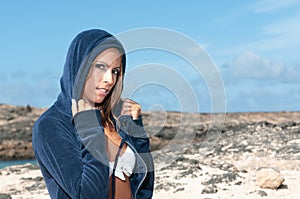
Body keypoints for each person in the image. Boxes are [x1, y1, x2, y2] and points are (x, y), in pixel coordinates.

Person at [32, 29, 154, 199]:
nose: (110, 80)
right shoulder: (51, 126)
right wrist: (90, 129)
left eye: (115, 71)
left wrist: (137, 131)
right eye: (101, 67)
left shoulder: (115, 117)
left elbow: (144, 184)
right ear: (79, 66)